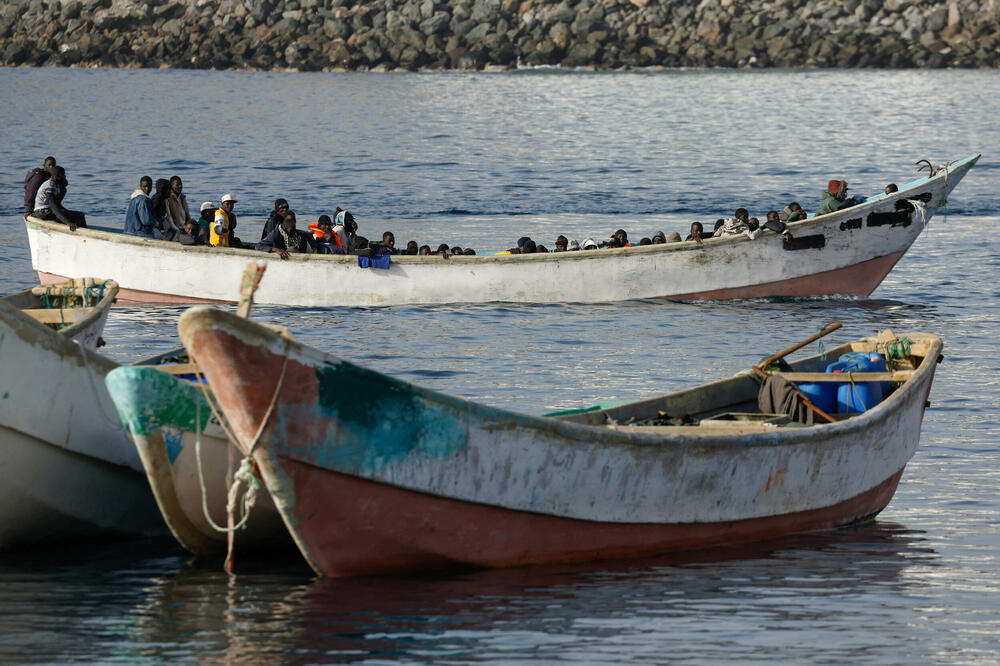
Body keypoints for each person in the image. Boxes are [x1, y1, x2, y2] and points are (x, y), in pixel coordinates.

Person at [33, 166, 86, 230]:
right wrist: (67, 222)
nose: (65, 177)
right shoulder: (50, 185)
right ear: (59, 176)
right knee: (80, 215)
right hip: (43, 211)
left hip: (46, 211)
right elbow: (53, 206)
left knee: (72, 216)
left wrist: (66, 214)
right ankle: (82, 234)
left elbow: (57, 205)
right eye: (63, 175)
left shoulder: (56, 185)